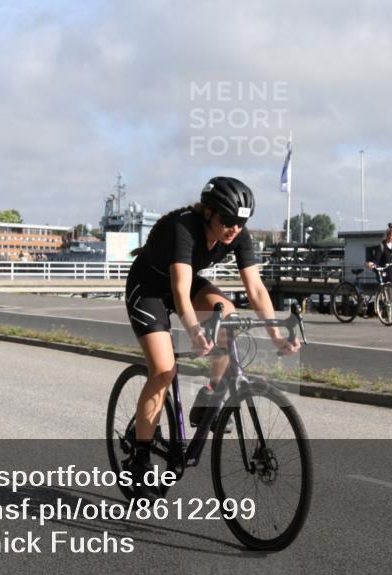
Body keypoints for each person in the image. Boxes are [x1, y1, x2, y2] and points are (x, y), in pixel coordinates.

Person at [124, 176, 300, 498]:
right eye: (228, 220)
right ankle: (140, 454)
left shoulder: (237, 235)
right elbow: (178, 290)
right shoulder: (184, 228)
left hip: (187, 284)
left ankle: (209, 395)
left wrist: (275, 334)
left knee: (228, 316)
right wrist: (193, 331)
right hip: (149, 288)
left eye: (241, 222)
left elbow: (256, 288)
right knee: (164, 370)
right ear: (208, 212)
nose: (234, 228)